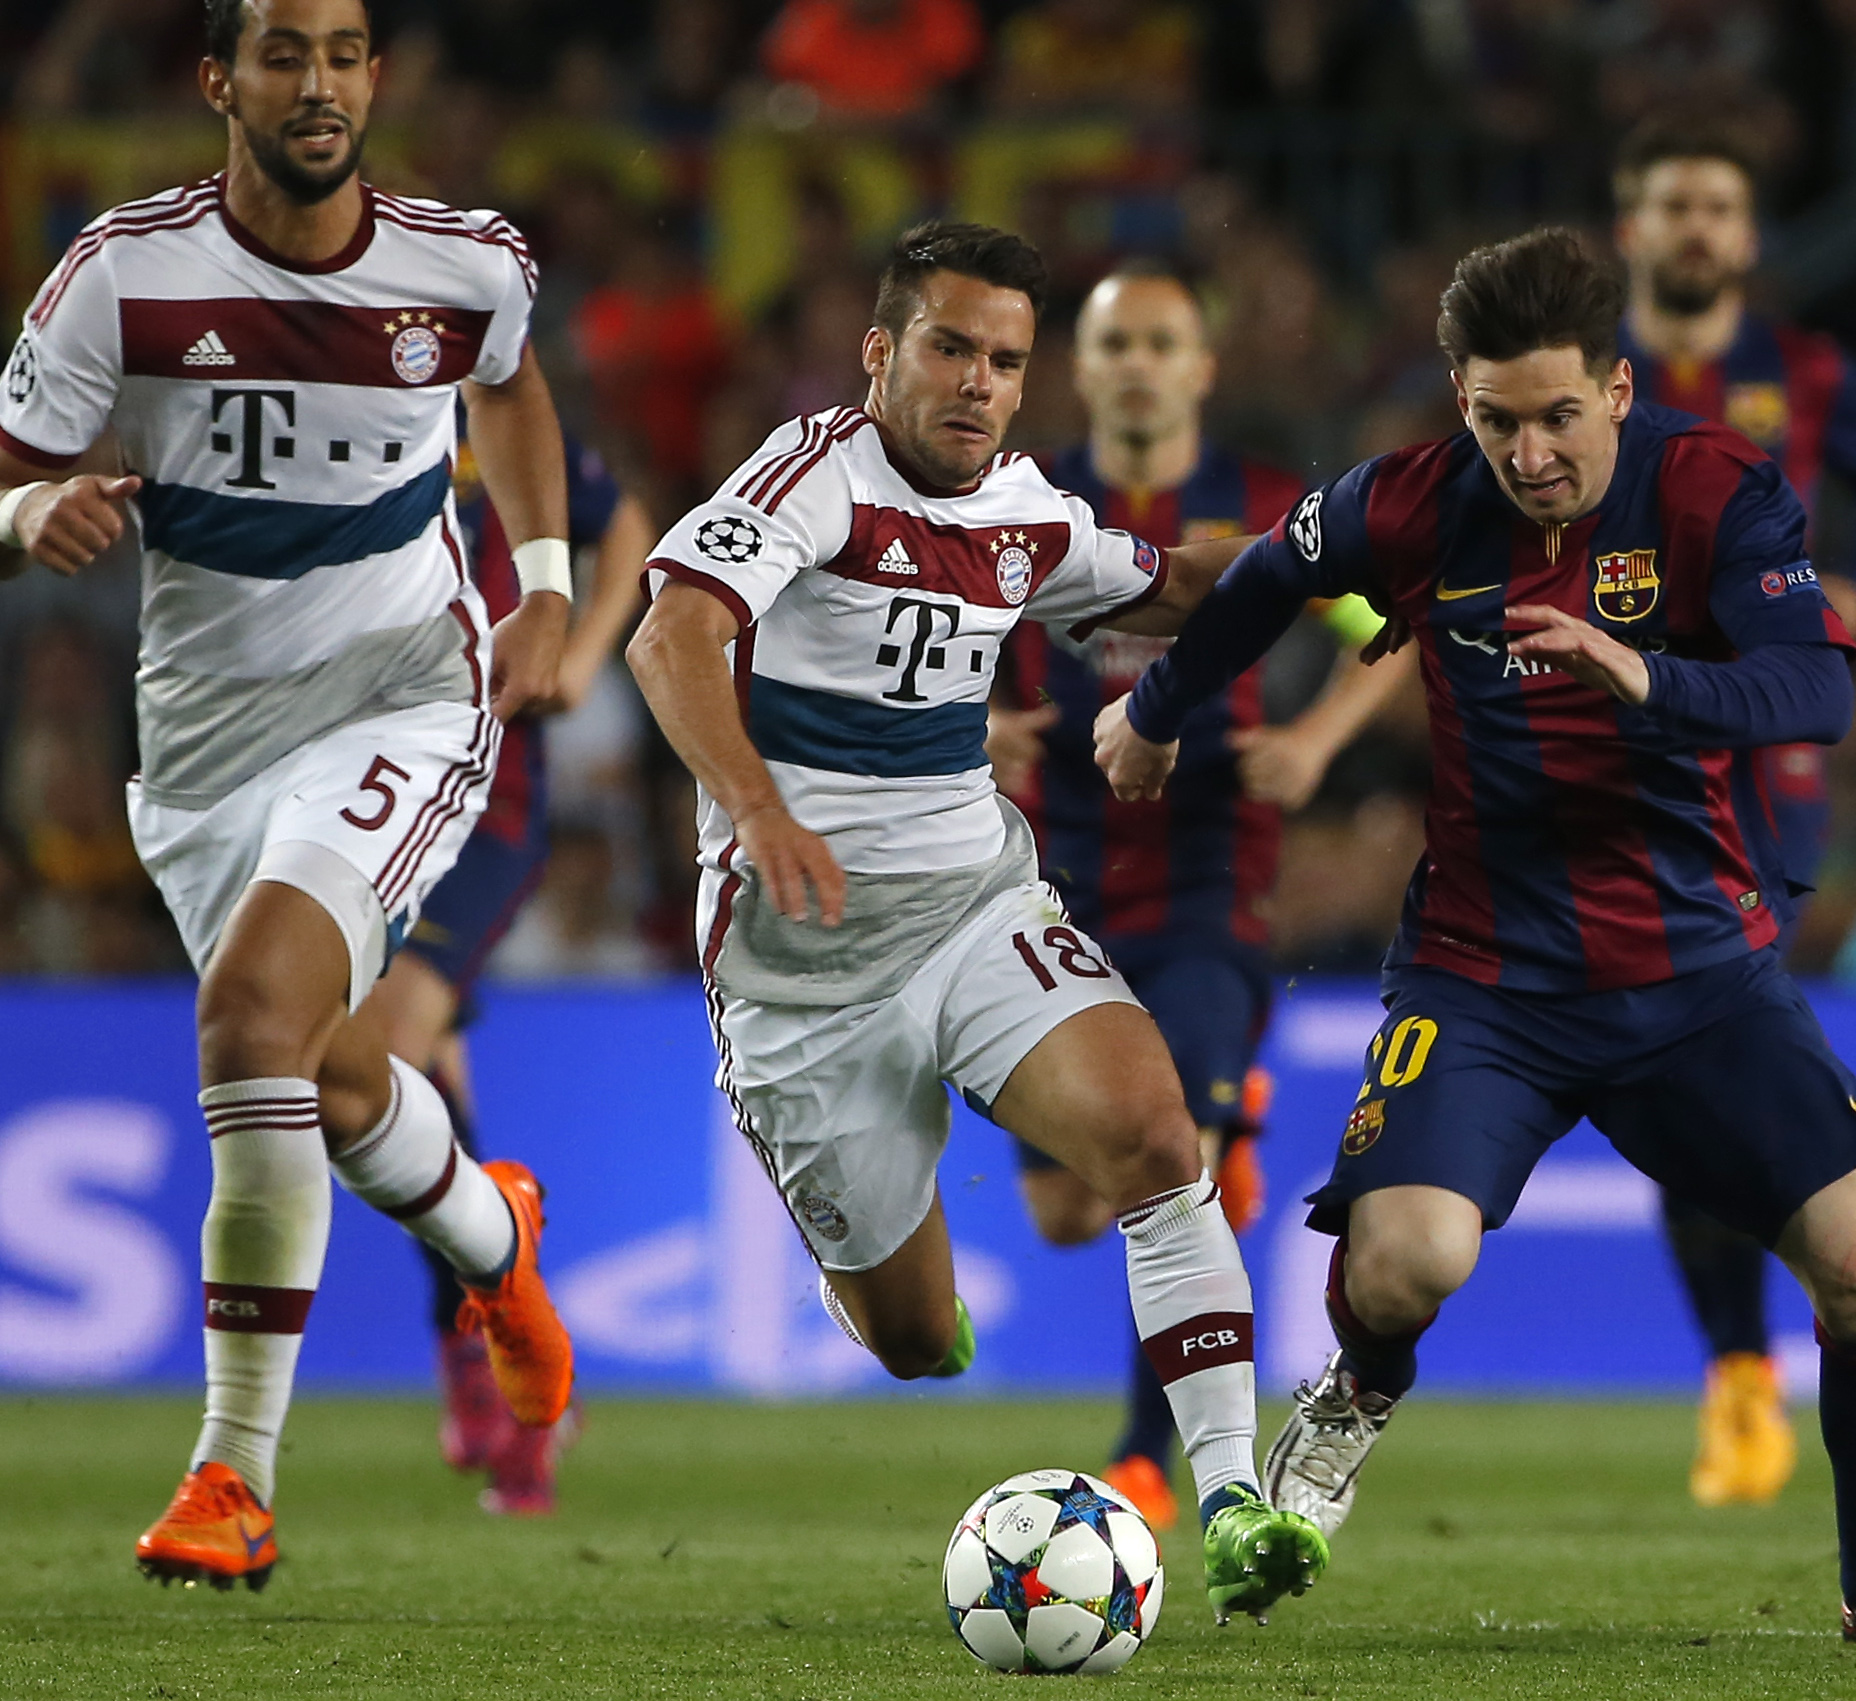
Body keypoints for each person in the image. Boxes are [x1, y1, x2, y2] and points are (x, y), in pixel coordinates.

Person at [1096, 228, 1856, 1649]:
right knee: (1404, 1264)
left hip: (1695, 973)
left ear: (1619, 389)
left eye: (1559, 416)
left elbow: (1815, 691)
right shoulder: (1408, 501)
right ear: (1460, 401)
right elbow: (1269, 575)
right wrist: (1154, 714)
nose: (1529, 454)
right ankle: (1356, 1386)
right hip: (1485, 978)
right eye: (1496, 420)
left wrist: (1644, 673)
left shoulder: (1712, 486)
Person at [625, 220, 1328, 1625]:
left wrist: (1338, 545)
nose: (978, 384)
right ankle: (899, 1294)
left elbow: (1172, 584)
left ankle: (1232, 1499)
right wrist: (758, 807)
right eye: (950, 348)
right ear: (880, 352)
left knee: (1155, 1137)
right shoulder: (812, 479)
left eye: (1005, 361)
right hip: (800, 967)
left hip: (972, 909)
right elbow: (671, 633)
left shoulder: (1026, 511)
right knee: (909, 1338)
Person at [0, 0, 575, 1590]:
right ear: (220, 81)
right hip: (199, 743)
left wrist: (543, 581)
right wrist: (30, 512)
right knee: (324, 1080)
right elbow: (6, 467)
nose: (315, 83)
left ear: (373, 77)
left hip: (401, 691)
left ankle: (231, 1479)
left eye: (341, 52)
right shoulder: (123, 274)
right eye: (281, 53)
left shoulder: (463, 263)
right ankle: (493, 1235)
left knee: (251, 1019)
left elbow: (511, 387)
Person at [990, 259, 1414, 1529]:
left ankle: (1142, 1453)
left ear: (1202, 368)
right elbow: (936, 633)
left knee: (1177, 1164)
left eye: (1162, 343)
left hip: (1209, 871)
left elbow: (1390, 625)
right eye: (1116, 344)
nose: (1139, 366)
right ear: (1084, 367)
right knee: (1069, 1211)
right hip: (1053, 872)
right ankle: (1226, 1117)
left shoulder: (1270, 507)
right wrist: (977, 726)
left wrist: (1319, 741)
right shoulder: (1022, 499)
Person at [1611, 113, 1856, 1506]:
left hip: (1760, 766)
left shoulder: (1802, 370)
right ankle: (1740, 1365)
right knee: (1683, 1060)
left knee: (1709, 1044)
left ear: (1745, 235)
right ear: (1632, 226)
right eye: (1675, 204)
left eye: (1718, 207)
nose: (1697, 228)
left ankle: (1743, 1369)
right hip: (1620, 748)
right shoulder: (1582, 378)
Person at [363, 419, 653, 1516]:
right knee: (405, 1094)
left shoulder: (496, 413)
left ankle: (489, 1344)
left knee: (382, 1058)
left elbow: (624, 522)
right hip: (359, 799)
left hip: (486, 803)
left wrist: (580, 656)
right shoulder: (337, 402)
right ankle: (514, 1373)